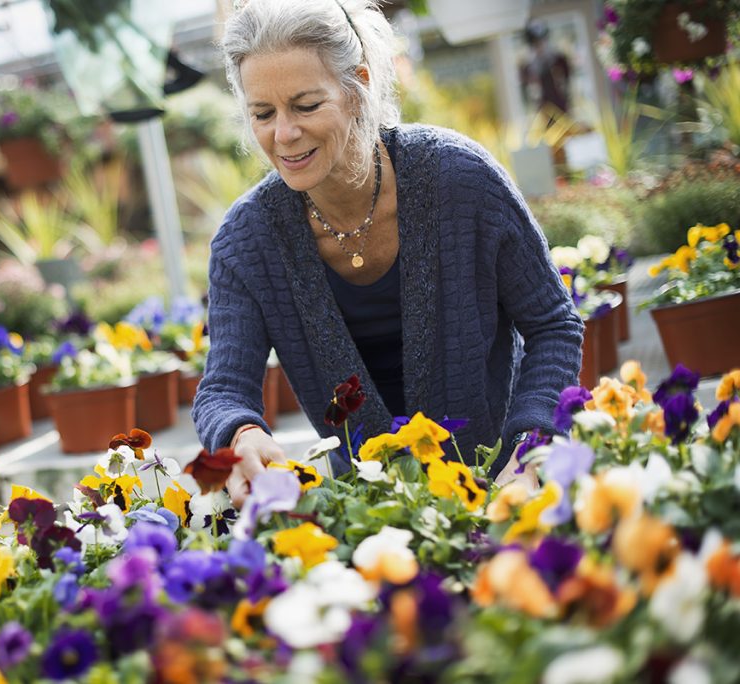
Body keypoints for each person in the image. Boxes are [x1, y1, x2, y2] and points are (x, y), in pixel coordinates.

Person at [191, 0, 584, 506]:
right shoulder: (245, 242)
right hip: (370, 511)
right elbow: (222, 389)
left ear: (358, 85)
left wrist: (531, 449)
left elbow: (553, 324)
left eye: (306, 105)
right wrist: (241, 434)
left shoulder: (460, 180)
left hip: (505, 487)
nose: (283, 134)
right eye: (262, 114)